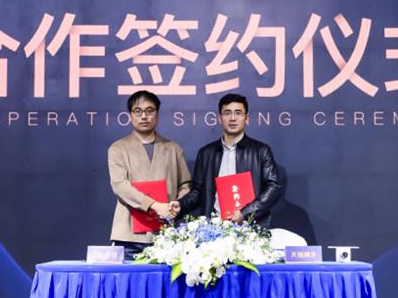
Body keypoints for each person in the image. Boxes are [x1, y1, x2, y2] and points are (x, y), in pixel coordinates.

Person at [108, 90, 191, 260]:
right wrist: (153, 205)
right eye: (138, 111)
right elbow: (120, 185)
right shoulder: (118, 148)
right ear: (130, 115)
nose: (144, 116)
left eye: (149, 110)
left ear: (157, 114)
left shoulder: (173, 149)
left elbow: (186, 184)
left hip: (165, 232)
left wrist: (177, 204)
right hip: (129, 235)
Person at [179, 93, 283, 227]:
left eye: (238, 113)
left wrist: (245, 212)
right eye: (227, 113)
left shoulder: (260, 151)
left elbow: (273, 187)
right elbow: (198, 192)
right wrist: (181, 205)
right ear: (219, 118)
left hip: (249, 226)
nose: (233, 118)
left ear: (246, 118)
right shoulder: (206, 153)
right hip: (213, 228)